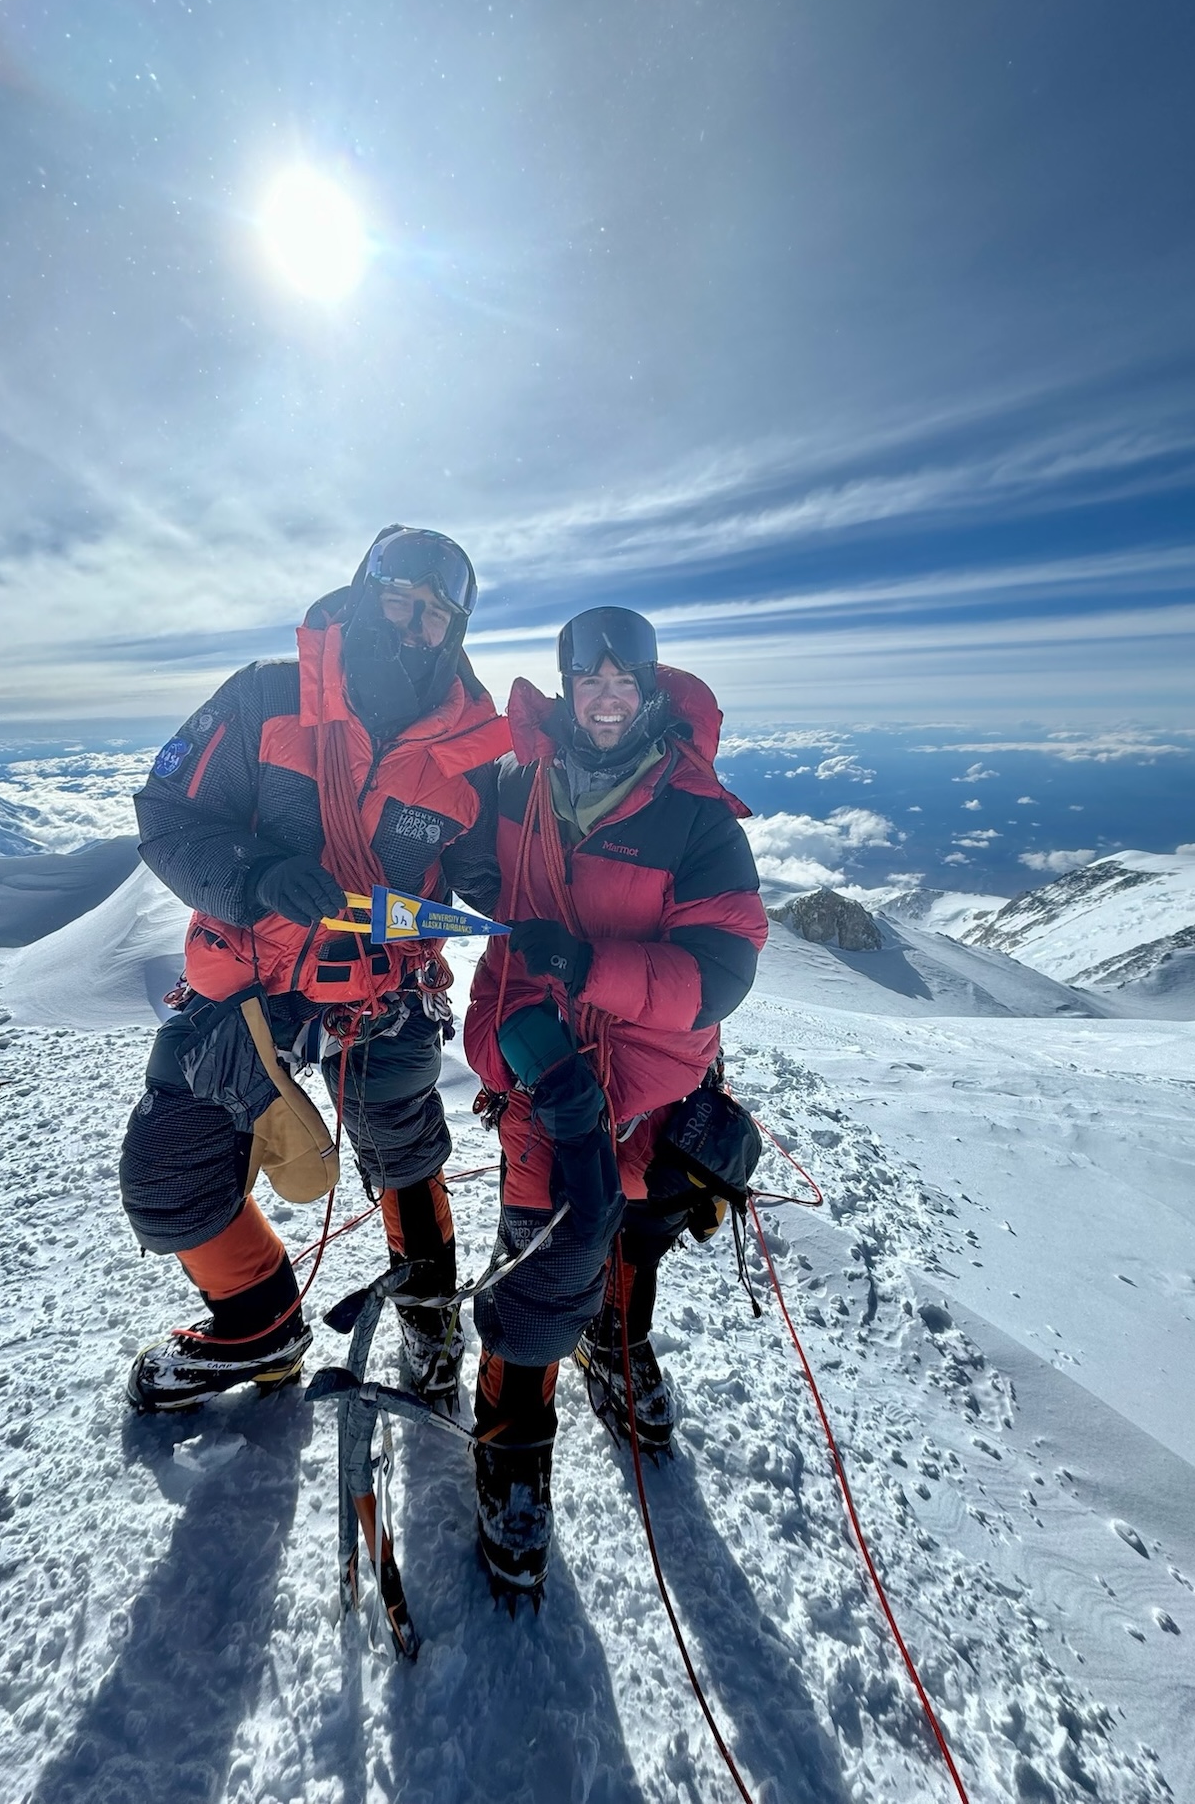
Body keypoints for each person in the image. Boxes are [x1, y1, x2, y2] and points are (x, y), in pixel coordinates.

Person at [120, 525, 509, 1414]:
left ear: (452, 633)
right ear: (365, 590)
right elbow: (167, 813)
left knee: (403, 1151)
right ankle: (259, 1326)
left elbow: (490, 868)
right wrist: (255, 874)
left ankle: (432, 1320)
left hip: (381, 986)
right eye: (401, 599)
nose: (414, 626)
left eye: (436, 616)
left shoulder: (470, 754)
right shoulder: (265, 697)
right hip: (254, 978)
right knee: (168, 1166)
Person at [462, 606, 767, 1600]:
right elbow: (480, 909)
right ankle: (511, 1456)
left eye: (620, 681)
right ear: (564, 687)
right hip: (545, 1083)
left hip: (645, 1087)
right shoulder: (515, 789)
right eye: (584, 679)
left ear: (646, 692)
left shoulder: (695, 816)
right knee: (535, 1264)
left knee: (628, 1241)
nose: (602, 696)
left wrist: (590, 964)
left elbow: (717, 973)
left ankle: (615, 1343)